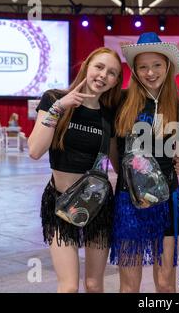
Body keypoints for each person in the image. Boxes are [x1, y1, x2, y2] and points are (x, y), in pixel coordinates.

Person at [27, 47, 123, 293]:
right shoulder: (54, 99)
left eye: (111, 73)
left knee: (93, 284)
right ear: (87, 67)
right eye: (99, 67)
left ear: (115, 81)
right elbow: (35, 150)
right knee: (69, 287)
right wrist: (59, 108)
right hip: (59, 204)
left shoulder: (108, 114)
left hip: (98, 205)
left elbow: (118, 162)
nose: (103, 75)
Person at [110, 32, 179, 293]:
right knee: (129, 285)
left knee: (166, 284)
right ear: (134, 71)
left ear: (167, 66)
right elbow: (114, 151)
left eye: (156, 65)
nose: (150, 72)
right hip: (128, 202)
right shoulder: (121, 102)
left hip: (167, 202)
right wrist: (131, 178)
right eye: (143, 66)